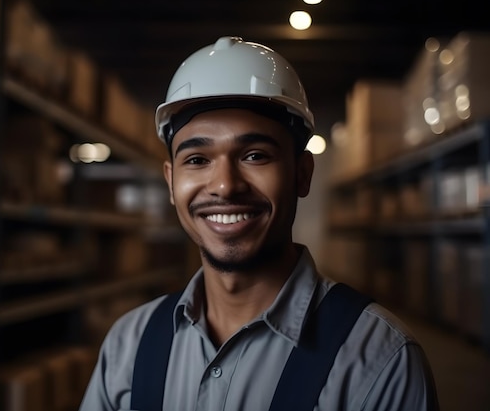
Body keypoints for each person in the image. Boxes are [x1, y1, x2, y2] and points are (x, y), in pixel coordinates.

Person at [78, 36, 440, 411]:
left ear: (302, 173)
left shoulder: (382, 361)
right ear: (171, 181)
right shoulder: (129, 346)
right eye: (197, 159)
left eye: (254, 155)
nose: (224, 185)